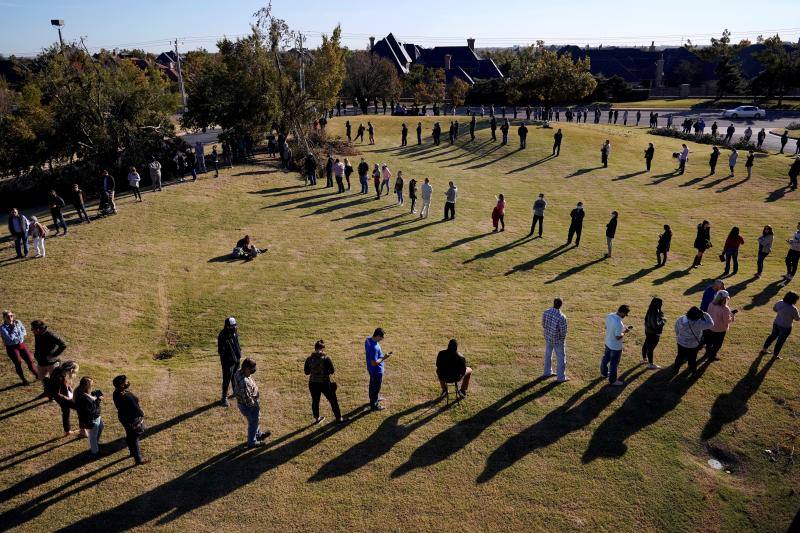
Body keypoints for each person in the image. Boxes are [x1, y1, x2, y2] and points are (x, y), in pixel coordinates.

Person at [233, 358, 270, 447]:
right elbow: (247, 399)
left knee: (255, 421)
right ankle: (252, 442)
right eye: (252, 369)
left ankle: (258, 434)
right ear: (246, 368)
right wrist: (254, 406)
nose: (254, 370)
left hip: (243, 404)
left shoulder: (238, 372)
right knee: (253, 422)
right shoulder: (244, 382)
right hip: (248, 406)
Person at [112, 375, 149, 465]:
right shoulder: (127, 396)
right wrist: (142, 413)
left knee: (130, 435)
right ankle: (138, 459)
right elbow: (136, 409)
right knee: (135, 437)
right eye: (126, 382)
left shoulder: (116, 393)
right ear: (121, 385)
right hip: (132, 419)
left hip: (123, 417)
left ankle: (132, 452)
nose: (128, 383)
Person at [304, 340, 343, 424]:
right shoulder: (326, 358)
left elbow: (306, 372)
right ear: (322, 348)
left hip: (313, 383)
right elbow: (332, 371)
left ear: (315, 348)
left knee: (315, 401)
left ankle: (317, 418)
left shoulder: (309, 359)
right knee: (333, 401)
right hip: (325, 383)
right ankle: (339, 418)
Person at [674, 306, 714, 374]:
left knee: (680, 356)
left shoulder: (681, 319)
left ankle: (676, 369)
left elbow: (676, 328)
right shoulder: (698, 323)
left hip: (681, 342)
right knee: (692, 359)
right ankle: (692, 371)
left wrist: (678, 336)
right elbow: (711, 324)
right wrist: (705, 314)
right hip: (692, 345)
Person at [2, 310, 37, 385]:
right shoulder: (2, 328)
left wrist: (18, 336)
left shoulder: (18, 322)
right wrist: (14, 328)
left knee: (30, 360)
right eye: (8, 316)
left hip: (21, 345)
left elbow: (24, 331)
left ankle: (37, 375)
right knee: (18, 363)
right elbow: (10, 338)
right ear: (4, 318)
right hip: (12, 348)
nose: (10, 318)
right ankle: (24, 380)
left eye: (11, 316)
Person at [760, 291, 800, 357]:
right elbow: (797, 319)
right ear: (794, 300)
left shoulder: (780, 302)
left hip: (776, 323)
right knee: (780, 341)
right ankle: (775, 355)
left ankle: (764, 350)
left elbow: (774, 309)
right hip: (786, 327)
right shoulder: (793, 309)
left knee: (772, 336)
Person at [30, 320, 66, 392]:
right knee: (42, 378)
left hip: (51, 363)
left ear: (38, 329)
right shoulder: (37, 334)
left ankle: (55, 394)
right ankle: (47, 391)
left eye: (32, 329)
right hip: (41, 362)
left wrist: (53, 355)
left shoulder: (50, 335)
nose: (32, 331)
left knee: (55, 380)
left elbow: (63, 345)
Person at [602, 305, 633, 386]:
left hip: (607, 342)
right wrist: (624, 332)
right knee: (614, 364)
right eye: (625, 314)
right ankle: (612, 381)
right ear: (622, 312)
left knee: (605, 359)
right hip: (615, 347)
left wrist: (622, 328)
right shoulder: (618, 323)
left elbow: (609, 327)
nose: (625, 316)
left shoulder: (609, 315)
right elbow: (618, 337)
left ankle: (604, 373)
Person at [49, 361, 80, 436]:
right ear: (71, 370)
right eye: (74, 372)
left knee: (66, 412)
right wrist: (67, 398)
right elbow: (56, 393)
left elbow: (65, 383)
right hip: (63, 399)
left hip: (65, 396)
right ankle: (82, 430)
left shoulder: (59, 370)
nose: (75, 374)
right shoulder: (59, 377)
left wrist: (69, 388)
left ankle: (67, 431)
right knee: (80, 408)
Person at [75, 377, 104, 456]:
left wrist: (95, 398)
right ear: (87, 386)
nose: (92, 385)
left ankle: (96, 445)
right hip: (92, 419)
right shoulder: (83, 398)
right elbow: (90, 411)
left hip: (96, 417)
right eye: (91, 384)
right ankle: (95, 452)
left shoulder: (85, 393)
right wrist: (98, 400)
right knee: (93, 436)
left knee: (101, 427)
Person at [542, 298, 569, 382]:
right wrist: (562, 340)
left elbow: (543, 324)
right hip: (558, 341)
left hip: (548, 337)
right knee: (561, 359)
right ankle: (561, 377)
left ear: (553, 303)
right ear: (561, 305)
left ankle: (547, 372)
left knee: (548, 355)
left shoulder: (546, 312)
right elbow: (563, 331)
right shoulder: (561, 317)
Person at [365, 328, 392, 411]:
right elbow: (374, 363)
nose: (382, 339)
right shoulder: (374, 347)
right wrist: (384, 357)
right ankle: (374, 404)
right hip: (376, 371)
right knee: (376, 387)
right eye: (382, 337)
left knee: (372, 385)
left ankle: (374, 398)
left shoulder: (368, 340)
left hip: (370, 368)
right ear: (377, 336)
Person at [705, 291, 736, 361]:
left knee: (709, 342)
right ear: (725, 299)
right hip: (720, 330)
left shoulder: (711, 304)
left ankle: (707, 353)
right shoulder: (725, 309)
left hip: (710, 327)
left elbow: (708, 314)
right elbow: (727, 321)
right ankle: (712, 356)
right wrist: (732, 316)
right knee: (717, 344)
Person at [218, 317, 242, 407]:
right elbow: (221, 351)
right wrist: (228, 359)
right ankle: (224, 398)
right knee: (227, 379)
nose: (234, 327)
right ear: (227, 326)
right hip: (227, 362)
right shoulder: (222, 336)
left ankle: (235, 392)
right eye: (232, 326)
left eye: (235, 325)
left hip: (236, 359)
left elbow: (237, 343)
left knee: (235, 377)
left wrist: (239, 352)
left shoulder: (234, 333)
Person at [642, 298, 665, 369]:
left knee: (646, 344)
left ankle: (644, 359)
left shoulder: (650, 310)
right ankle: (650, 364)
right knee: (650, 348)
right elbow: (656, 326)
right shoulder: (654, 312)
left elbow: (646, 321)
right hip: (653, 334)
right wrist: (663, 322)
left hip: (648, 331)